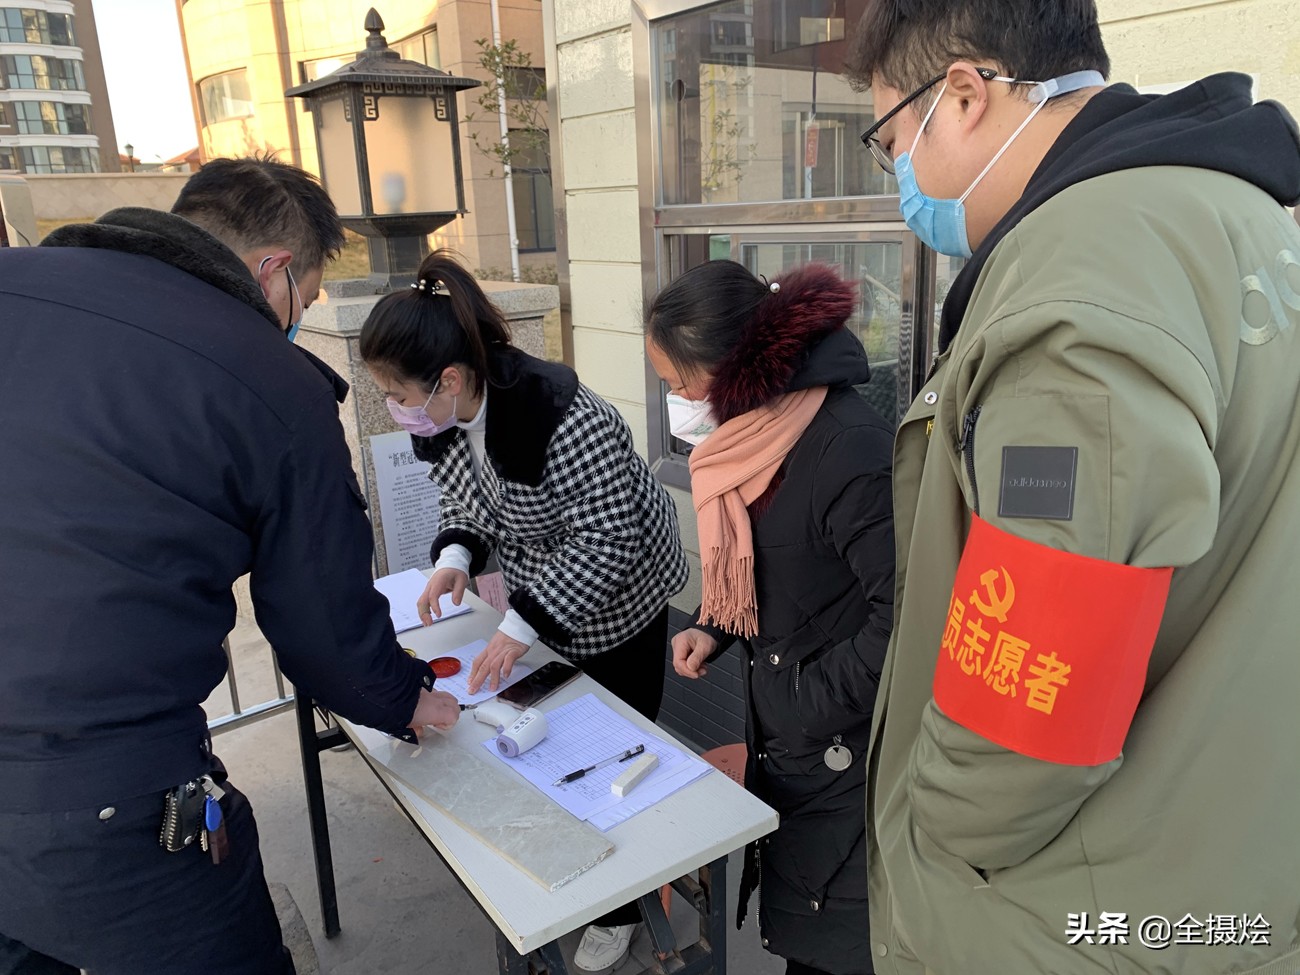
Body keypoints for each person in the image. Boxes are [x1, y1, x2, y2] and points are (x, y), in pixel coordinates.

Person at [844, 2, 1300, 973]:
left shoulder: (1075, 285)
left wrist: (940, 832)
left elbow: (1047, 633)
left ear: (962, 93)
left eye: (891, 140)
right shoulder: (1245, 219)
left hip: (1072, 914)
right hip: (1230, 855)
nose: (902, 177)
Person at [0, 157, 461, 975]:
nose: (294, 319)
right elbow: (323, 626)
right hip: (104, 793)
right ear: (274, 268)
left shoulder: (20, 286)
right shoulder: (265, 374)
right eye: (307, 300)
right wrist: (407, 697)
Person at [358, 249, 689, 972]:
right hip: (551, 579)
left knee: (615, 746)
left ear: (447, 378)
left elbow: (607, 537)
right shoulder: (445, 417)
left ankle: (623, 907)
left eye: (396, 390)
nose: (396, 405)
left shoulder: (565, 416)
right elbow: (466, 502)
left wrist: (517, 625)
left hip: (621, 589)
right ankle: (574, 867)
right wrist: (453, 558)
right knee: (553, 732)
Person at [646, 261, 895, 975]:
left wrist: (800, 698)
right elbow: (772, 569)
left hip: (848, 754)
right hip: (791, 741)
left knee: (835, 944)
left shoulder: (847, 447)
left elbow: (911, 622)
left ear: (729, 365)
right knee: (801, 931)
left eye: (679, 381)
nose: (676, 398)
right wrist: (714, 626)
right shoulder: (753, 437)